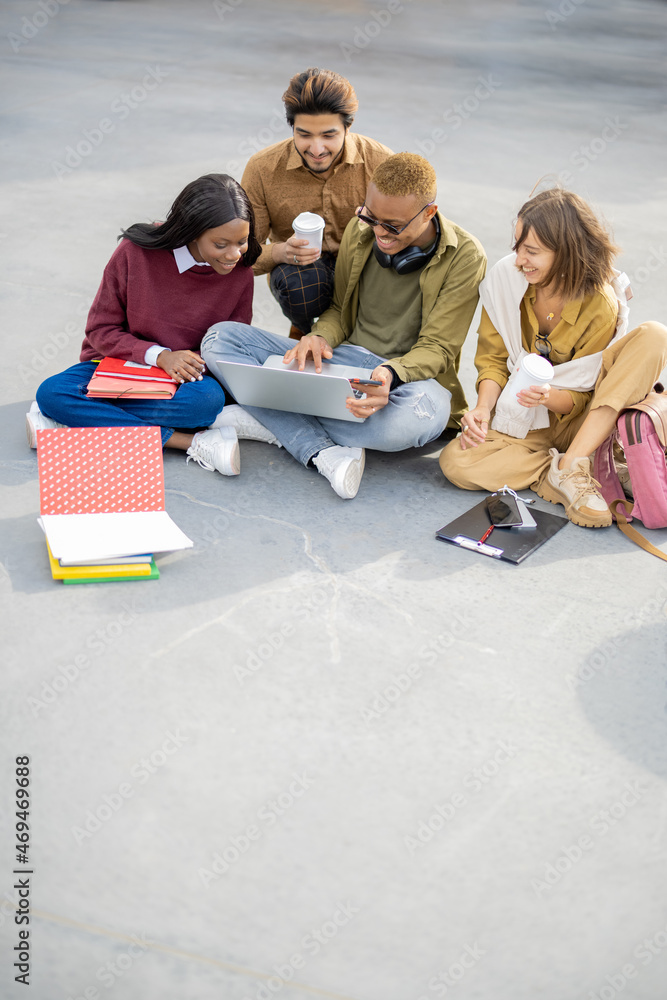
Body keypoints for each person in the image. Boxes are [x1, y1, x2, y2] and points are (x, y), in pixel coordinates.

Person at [202, 153, 487, 499]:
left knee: (425, 417)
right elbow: (339, 310)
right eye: (371, 216)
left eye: (393, 225)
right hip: (341, 362)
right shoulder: (360, 229)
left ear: (429, 212)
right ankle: (318, 445)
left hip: (405, 382)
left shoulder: (467, 256)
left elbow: (438, 348)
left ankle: (269, 417)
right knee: (220, 338)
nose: (379, 232)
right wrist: (319, 336)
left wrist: (389, 375)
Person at [439, 187, 667, 527]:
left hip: (583, 421)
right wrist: (483, 409)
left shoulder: (600, 305)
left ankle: (574, 461)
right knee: (456, 462)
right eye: (517, 246)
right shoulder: (506, 279)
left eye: (532, 251)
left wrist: (550, 397)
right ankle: (566, 472)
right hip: (522, 416)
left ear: (566, 254)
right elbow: (492, 358)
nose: (519, 259)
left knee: (656, 335)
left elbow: (588, 390)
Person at [29, 174, 262, 476]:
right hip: (119, 364)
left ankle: (79, 422)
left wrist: (194, 365)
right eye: (221, 244)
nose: (234, 254)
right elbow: (100, 331)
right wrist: (161, 356)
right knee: (52, 393)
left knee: (205, 403)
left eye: (241, 242)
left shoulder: (240, 272)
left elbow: (229, 344)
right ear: (192, 233)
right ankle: (185, 442)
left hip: (183, 380)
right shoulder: (135, 253)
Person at [241, 67, 392, 337]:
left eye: (329, 135)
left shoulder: (381, 162)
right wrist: (280, 252)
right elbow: (240, 253)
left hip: (370, 271)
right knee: (298, 283)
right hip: (302, 279)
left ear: (348, 126)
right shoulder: (263, 169)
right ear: (292, 128)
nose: (317, 149)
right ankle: (303, 329)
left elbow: (411, 235)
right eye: (305, 135)